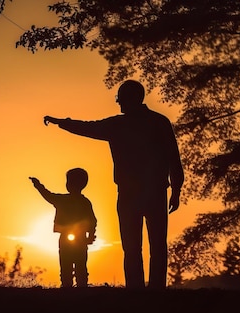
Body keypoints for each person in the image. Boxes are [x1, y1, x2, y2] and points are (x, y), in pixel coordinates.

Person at [43, 80, 184, 290]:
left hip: (133, 194)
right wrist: (176, 189)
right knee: (152, 245)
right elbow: (174, 158)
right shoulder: (157, 122)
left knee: (134, 246)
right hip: (152, 192)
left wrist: (61, 122)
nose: (119, 105)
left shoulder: (120, 125)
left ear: (129, 99)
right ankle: (154, 290)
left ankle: (138, 290)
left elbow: (87, 128)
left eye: (121, 100)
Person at [29, 168, 97, 288]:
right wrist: (38, 185)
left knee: (75, 266)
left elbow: (92, 221)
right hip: (75, 239)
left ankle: (73, 288)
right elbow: (92, 221)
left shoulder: (67, 200)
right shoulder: (83, 202)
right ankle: (72, 287)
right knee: (73, 266)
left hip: (73, 239)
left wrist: (91, 235)